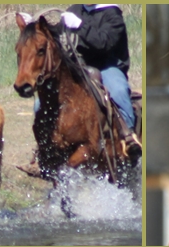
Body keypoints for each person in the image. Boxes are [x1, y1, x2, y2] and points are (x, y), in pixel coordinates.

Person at [57, 4, 141, 155]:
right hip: (79, 67)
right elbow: (58, 38)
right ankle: (43, 150)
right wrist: (34, 27)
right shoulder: (73, 11)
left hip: (107, 66)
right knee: (42, 103)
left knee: (118, 91)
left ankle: (128, 137)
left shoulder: (112, 14)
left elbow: (103, 43)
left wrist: (80, 26)